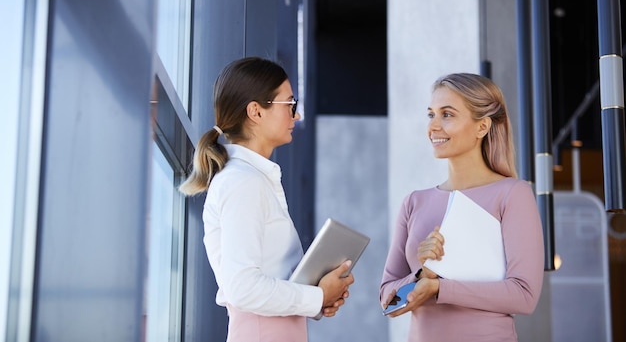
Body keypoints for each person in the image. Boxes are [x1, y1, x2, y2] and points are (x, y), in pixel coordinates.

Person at [179, 57, 354, 342]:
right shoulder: (243, 183)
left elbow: (266, 280)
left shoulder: (250, 180)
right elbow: (243, 288)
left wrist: (320, 296)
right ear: (256, 112)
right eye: (290, 105)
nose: (296, 116)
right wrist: (318, 295)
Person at [380, 73, 544, 342]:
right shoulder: (414, 202)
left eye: (447, 115)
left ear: (482, 127)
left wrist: (439, 288)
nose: (433, 126)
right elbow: (387, 300)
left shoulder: (513, 194)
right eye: (430, 114)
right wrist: (423, 273)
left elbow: (524, 296)